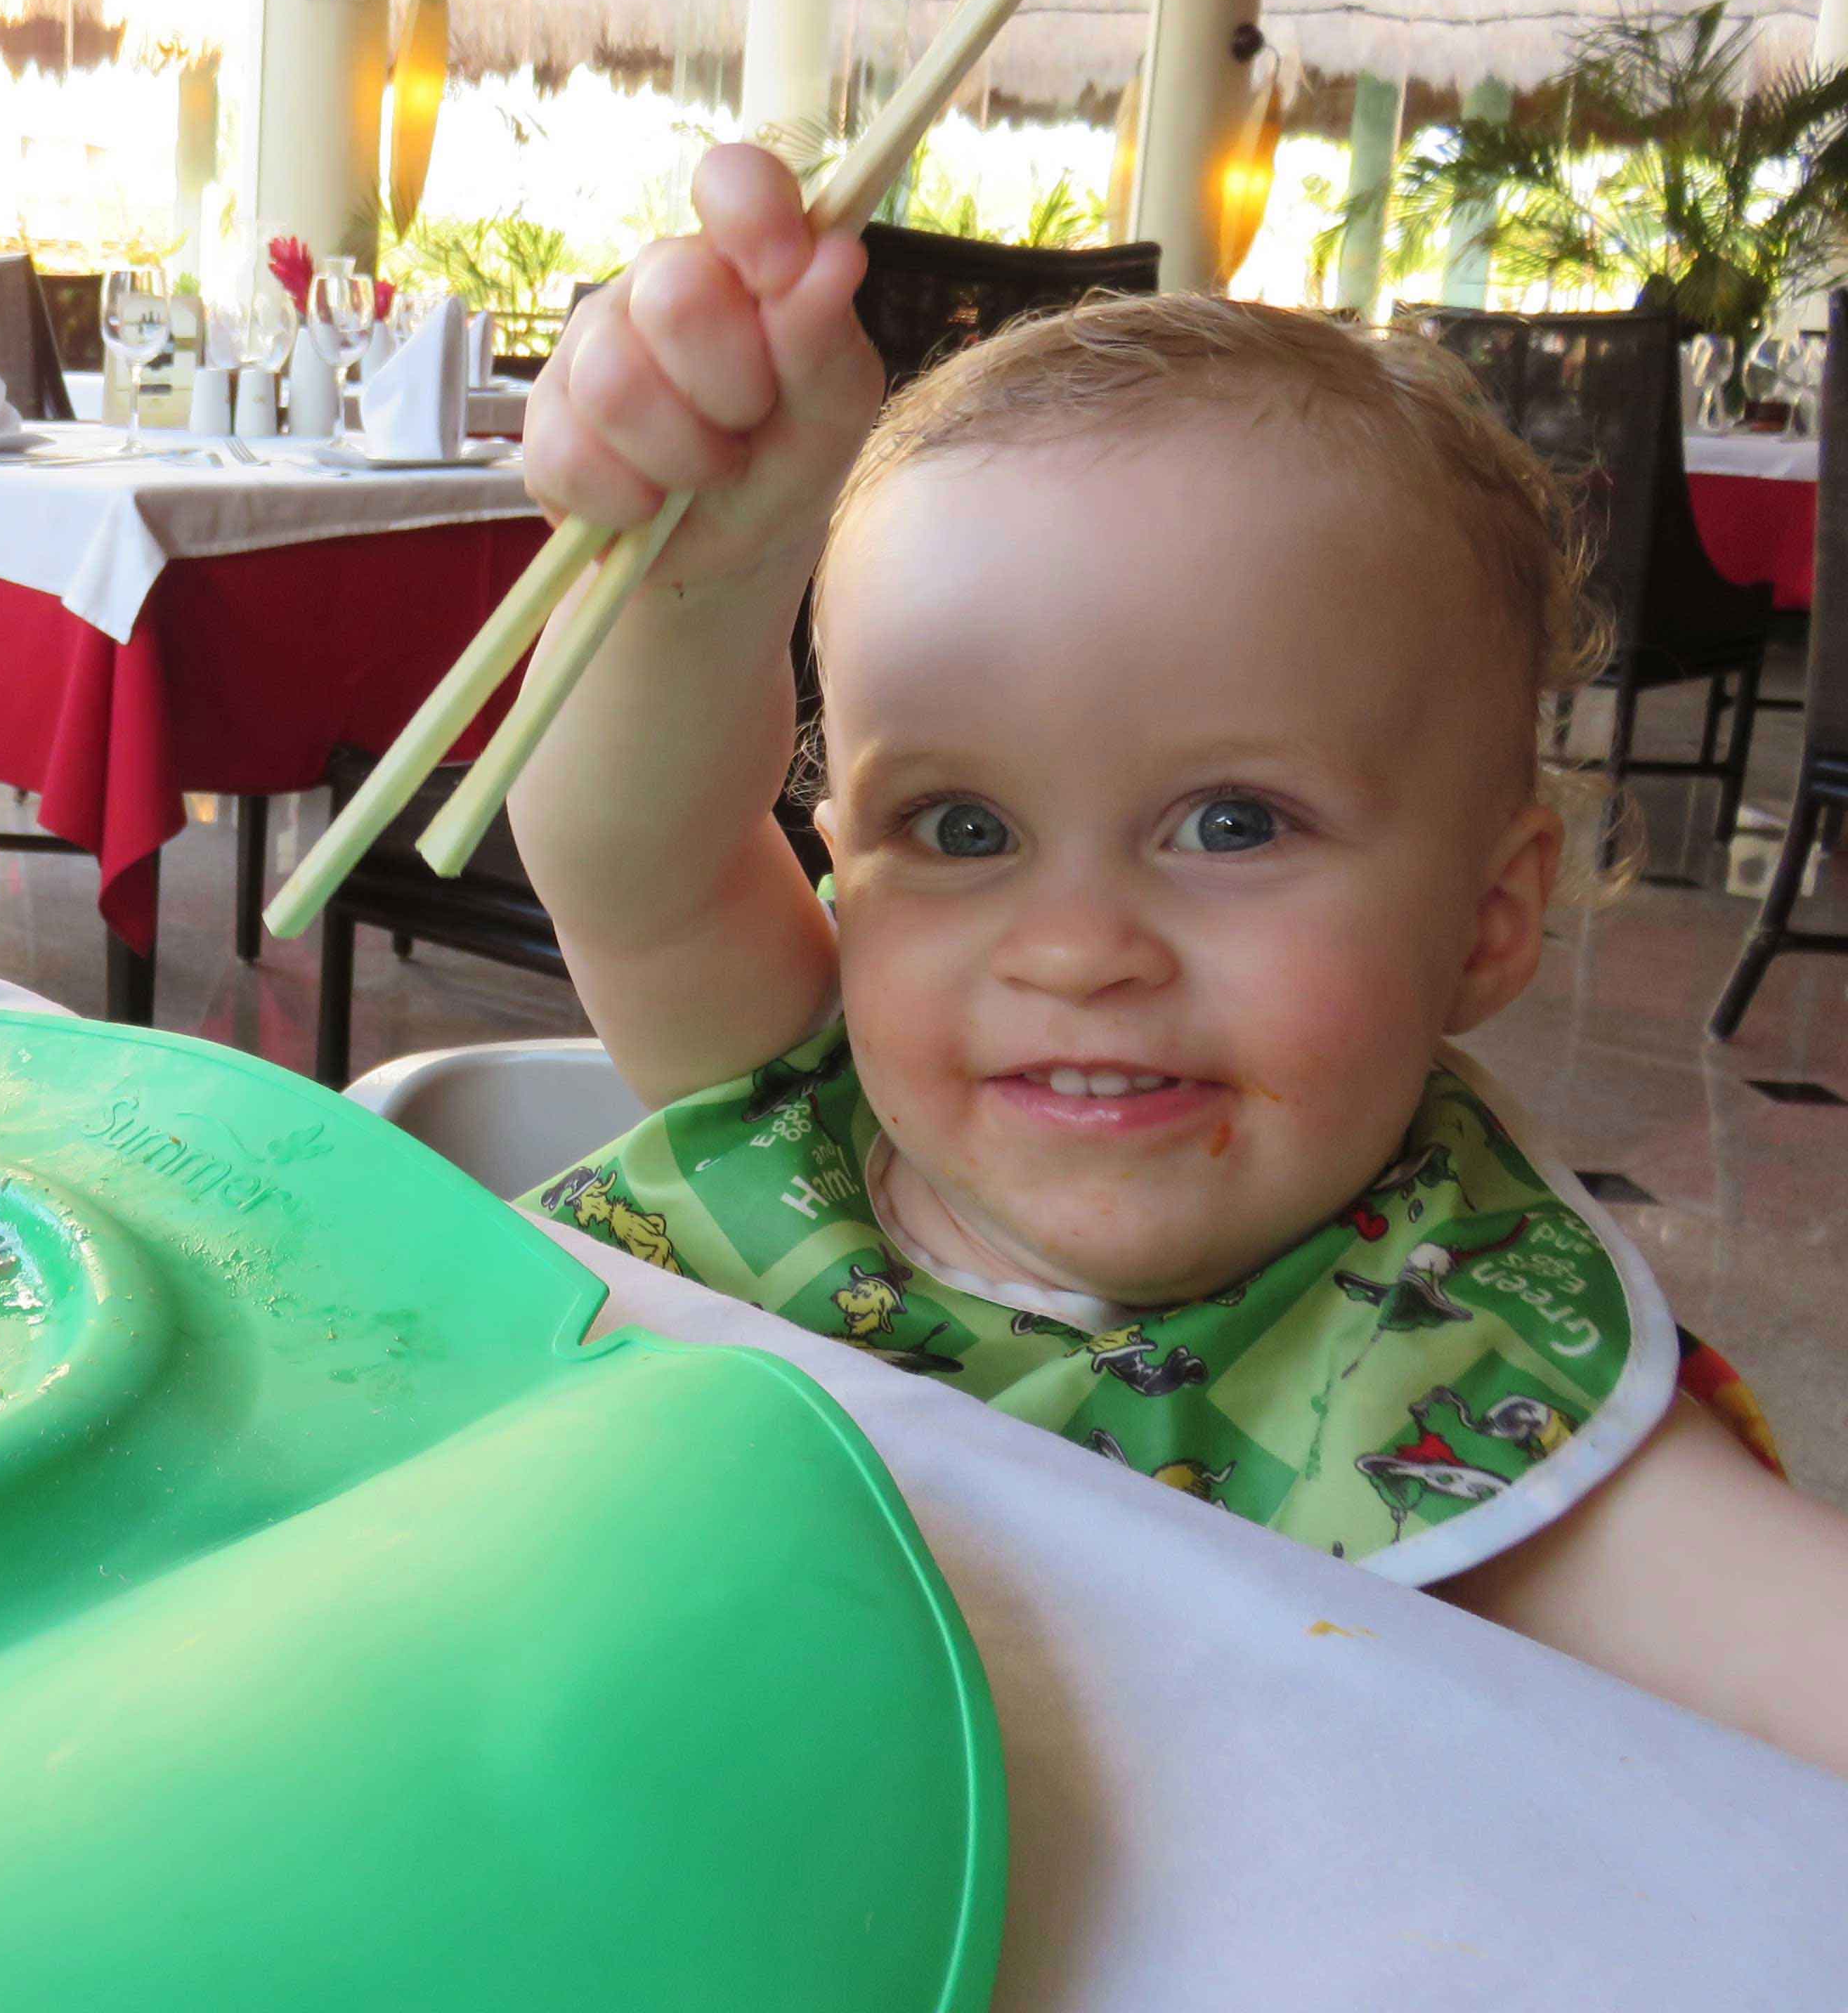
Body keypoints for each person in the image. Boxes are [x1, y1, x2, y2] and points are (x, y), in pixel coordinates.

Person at [508, 143, 1848, 1778]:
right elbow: (621, 855)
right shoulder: (808, 1086)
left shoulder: (1460, 1360)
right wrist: (703, 574)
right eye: (961, 827)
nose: (1074, 952)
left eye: (1231, 825)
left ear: (1490, 923)